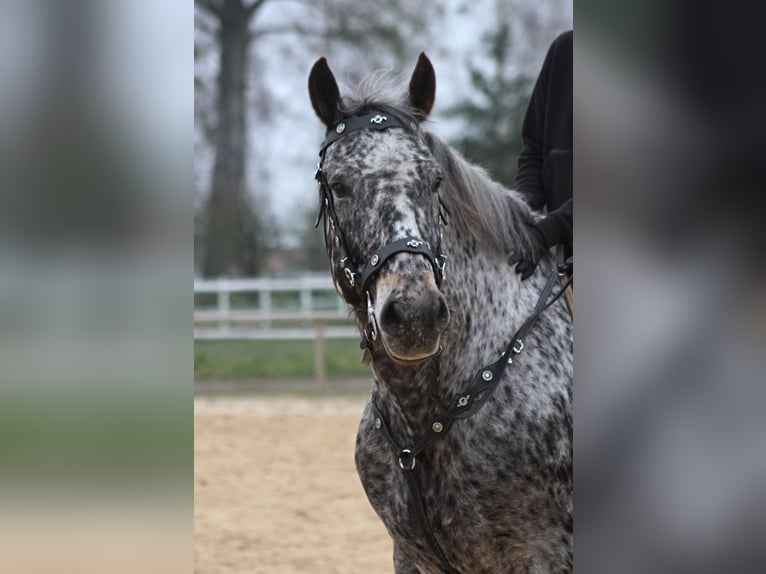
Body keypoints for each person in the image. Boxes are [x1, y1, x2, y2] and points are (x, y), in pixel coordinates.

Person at [512, 30, 572, 280]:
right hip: (564, 255)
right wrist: (520, 213)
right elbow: (533, 150)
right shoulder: (565, 50)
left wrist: (546, 232)